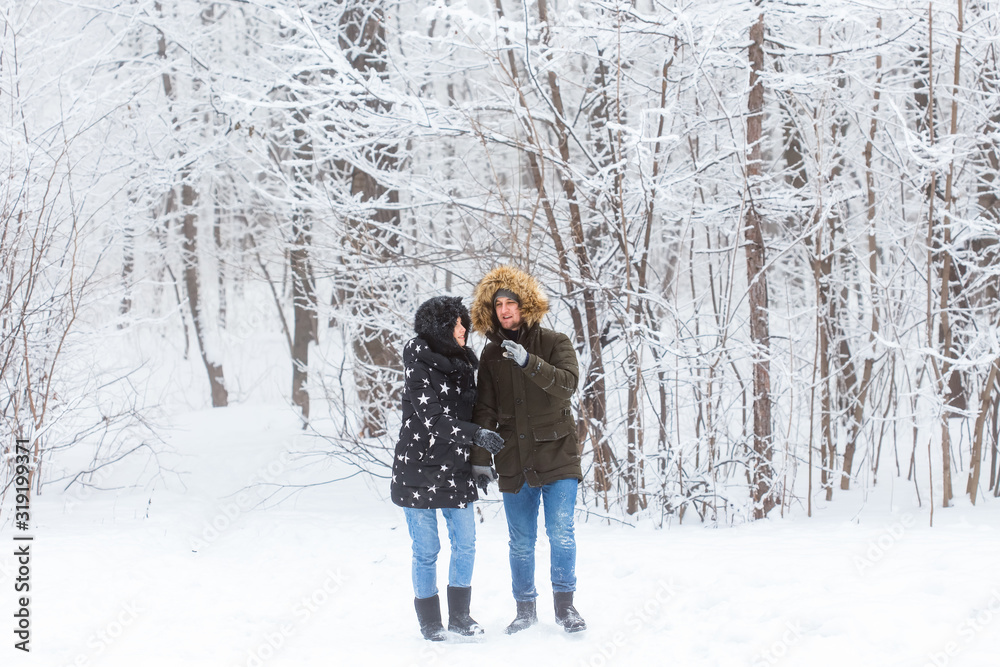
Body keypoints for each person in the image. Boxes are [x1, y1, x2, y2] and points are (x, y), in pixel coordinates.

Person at [468, 266, 587, 634]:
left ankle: (566, 609)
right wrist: (479, 460)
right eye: (498, 303)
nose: (505, 310)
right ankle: (525, 611)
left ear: (526, 305)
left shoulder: (555, 342)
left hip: (558, 455)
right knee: (520, 541)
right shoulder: (489, 356)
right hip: (513, 461)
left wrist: (527, 362)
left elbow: (567, 385)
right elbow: (484, 408)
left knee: (561, 533)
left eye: (511, 303)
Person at [390, 296, 505, 641]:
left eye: (464, 322)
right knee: (427, 550)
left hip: (455, 467)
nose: (463, 329)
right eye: (455, 323)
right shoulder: (417, 357)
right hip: (418, 469)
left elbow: (473, 412)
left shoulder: (465, 363)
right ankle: (429, 622)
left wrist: (479, 462)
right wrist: (478, 436)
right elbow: (433, 419)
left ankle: (460, 617)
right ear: (438, 326)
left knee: (466, 544)